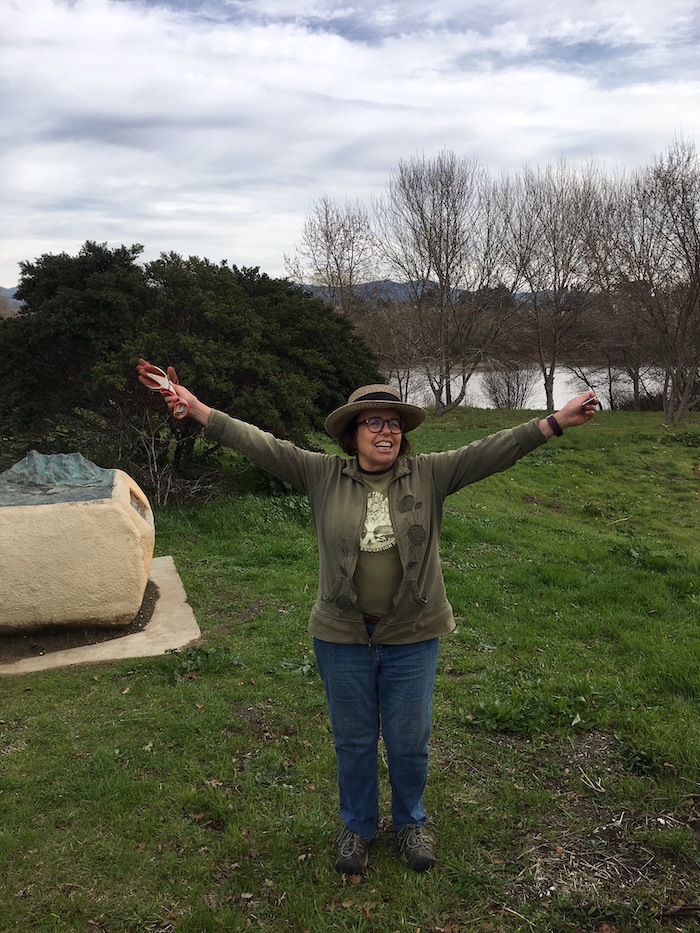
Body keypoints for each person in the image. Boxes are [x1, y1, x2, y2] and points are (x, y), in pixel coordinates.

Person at [136, 360, 598, 874]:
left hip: (412, 634)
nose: (386, 431)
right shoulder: (322, 475)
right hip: (343, 635)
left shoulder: (430, 474)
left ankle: (410, 822)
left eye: (394, 423)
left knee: (408, 741)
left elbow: (495, 449)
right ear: (352, 434)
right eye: (374, 422)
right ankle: (357, 827)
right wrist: (197, 408)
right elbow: (260, 445)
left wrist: (557, 420)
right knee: (353, 741)